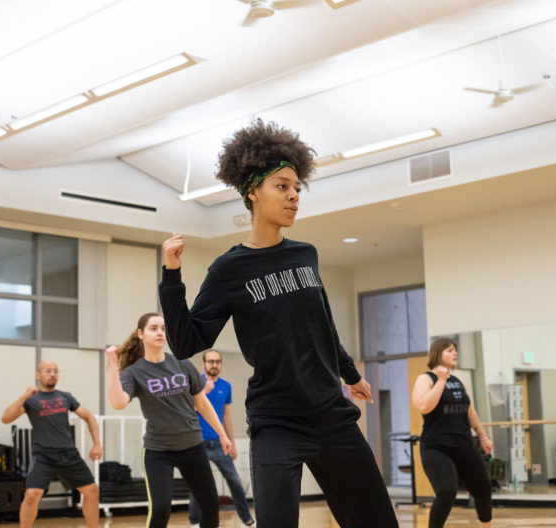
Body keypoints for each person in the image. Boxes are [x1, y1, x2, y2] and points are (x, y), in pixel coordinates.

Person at [159, 119, 398, 527]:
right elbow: (185, 342)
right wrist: (172, 275)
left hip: (331, 414)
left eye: (297, 188)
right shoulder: (229, 270)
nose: (293, 196)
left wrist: (351, 374)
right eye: (282, 186)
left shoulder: (306, 254)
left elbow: (324, 326)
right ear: (252, 192)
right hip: (276, 422)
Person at [105, 312, 235, 528]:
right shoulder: (134, 372)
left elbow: (202, 404)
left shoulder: (182, 364)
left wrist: (223, 435)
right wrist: (112, 365)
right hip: (159, 451)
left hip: (193, 447)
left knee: (210, 506)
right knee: (160, 510)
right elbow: (118, 403)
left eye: (163, 329)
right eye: (153, 328)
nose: (160, 332)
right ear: (140, 334)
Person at [1, 360, 102, 528]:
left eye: (56, 371)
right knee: (31, 495)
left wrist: (97, 444)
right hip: (43, 455)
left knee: (92, 491)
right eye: (48, 371)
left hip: (68, 453)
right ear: (38, 374)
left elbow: (89, 417)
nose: (53, 374)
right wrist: (25, 396)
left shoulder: (66, 397)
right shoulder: (31, 400)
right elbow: (6, 418)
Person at [411, 337, 493, 528]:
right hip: (436, 448)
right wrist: (441, 381)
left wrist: (483, 436)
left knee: (483, 489)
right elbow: (423, 406)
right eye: (449, 350)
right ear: (437, 354)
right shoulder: (426, 379)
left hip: (463, 445)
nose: (455, 353)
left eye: (455, 350)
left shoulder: (458, 381)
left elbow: (470, 411)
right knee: (447, 491)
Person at [189, 349, 255, 528]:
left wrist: (231, 442)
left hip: (219, 443)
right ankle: (194, 522)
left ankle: (247, 519)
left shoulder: (226, 386)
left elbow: (226, 416)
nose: (214, 365)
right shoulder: (195, 383)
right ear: (203, 364)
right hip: (198, 443)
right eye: (211, 361)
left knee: (235, 482)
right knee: (197, 485)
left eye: (217, 361)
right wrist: (203, 391)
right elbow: (188, 410)